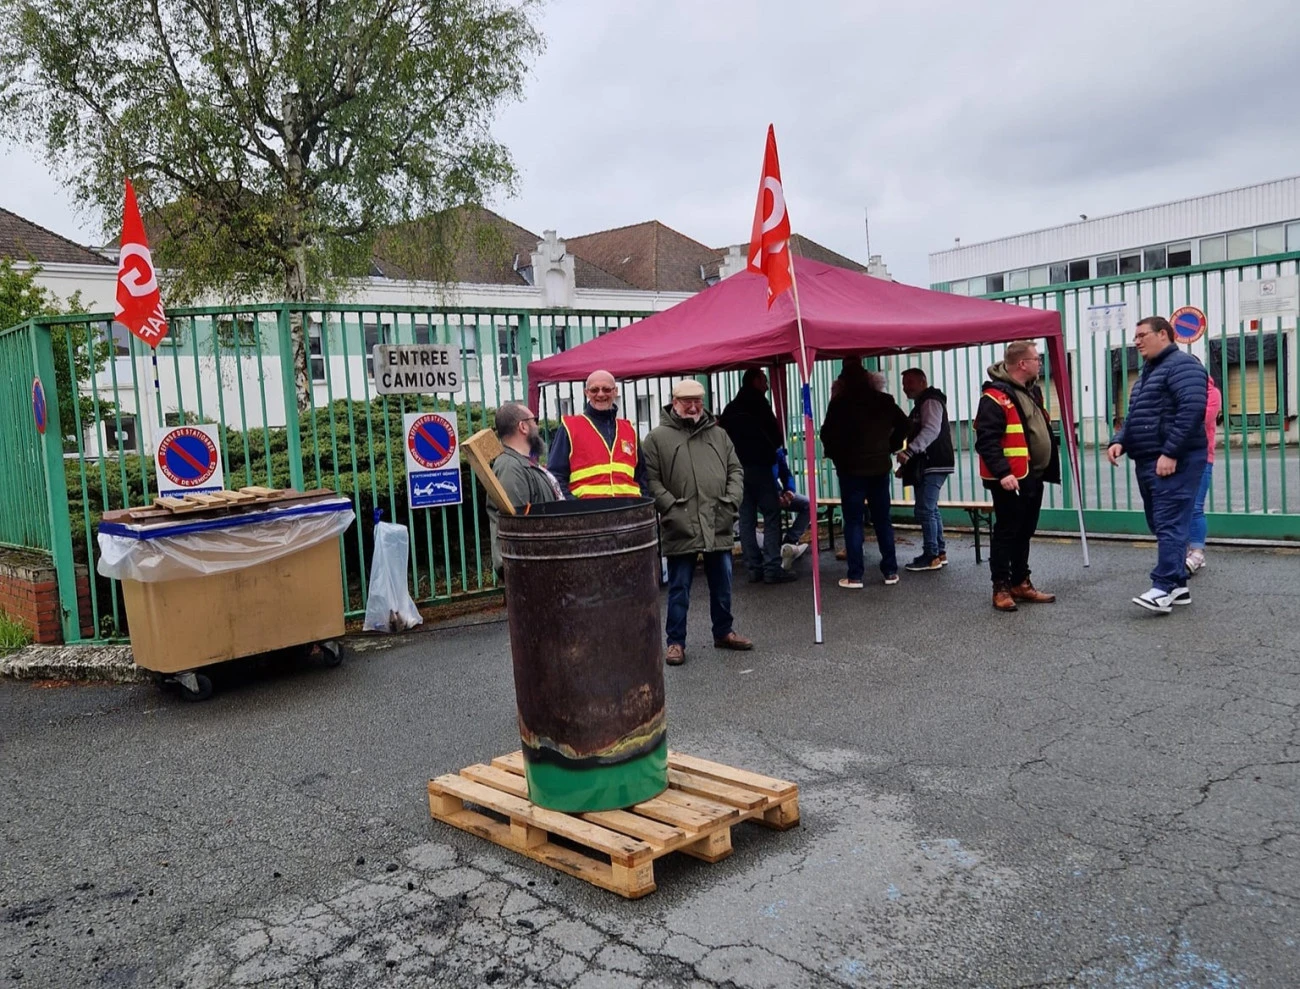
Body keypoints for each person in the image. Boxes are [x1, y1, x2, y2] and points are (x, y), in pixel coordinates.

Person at [642, 379, 751, 666]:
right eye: (686, 401)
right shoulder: (656, 439)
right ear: (674, 402)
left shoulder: (719, 435)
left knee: (724, 582)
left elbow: (736, 470)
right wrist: (670, 508)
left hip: (717, 518)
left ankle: (724, 632)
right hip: (680, 523)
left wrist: (731, 501)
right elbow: (651, 481)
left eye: (697, 401)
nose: (693, 407)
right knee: (679, 586)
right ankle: (675, 642)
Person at [1106, 317, 1209, 614]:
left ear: (1163, 334)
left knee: (1170, 523)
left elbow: (1191, 411)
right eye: (1135, 337)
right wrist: (1120, 440)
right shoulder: (1150, 372)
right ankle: (1178, 585)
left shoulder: (1183, 365)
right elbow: (1136, 414)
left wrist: (1171, 452)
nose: (1136, 342)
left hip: (1173, 460)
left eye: (1142, 335)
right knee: (1161, 523)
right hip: (1150, 459)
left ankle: (1162, 587)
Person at [974, 340, 1061, 612]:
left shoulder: (1030, 392)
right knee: (1007, 532)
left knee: (1024, 531)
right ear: (1022, 364)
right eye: (1036, 359)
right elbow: (986, 440)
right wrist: (1003, 473)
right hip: (1011, 479)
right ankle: (1000, 587)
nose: (1039, 363)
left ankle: (1020, 582)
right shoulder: (994, 397)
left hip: (1032, 475)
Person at [819, 366, 910, 588]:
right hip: (879, 467)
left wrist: (837, 456)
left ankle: (855, 576)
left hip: (850, 470)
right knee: (882, 520)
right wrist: (891, 445)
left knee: (853, 521)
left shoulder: (839, 404)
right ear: (870, 379)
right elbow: (905, 424)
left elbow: (826, 434)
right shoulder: (884, 400)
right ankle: (890, 572)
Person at [720, 369, 796, 584]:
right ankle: (772, 568)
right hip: (761, 468)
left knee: (746, 519)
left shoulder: (731, 408)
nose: (767, 385)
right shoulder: (760, 406)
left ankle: (753, 568)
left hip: (737, 469)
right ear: (754, 381)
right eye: (764, 380)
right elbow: (776, 436)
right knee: (772, 516)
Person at [486, 402, 563, 577]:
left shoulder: (522, 463)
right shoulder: (510, 467)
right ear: (523, 426)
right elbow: (518, 525)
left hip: (543, 565)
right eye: (534, 421)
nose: (537, 425)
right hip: (531, 571)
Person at [546, 369, 647, 499]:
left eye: (606, 389)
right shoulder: (570, 427)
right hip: (589, 513)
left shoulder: (629, 430)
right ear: (586, 393)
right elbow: (556, 476)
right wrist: (574, 507)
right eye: (594, 390)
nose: (600, 394)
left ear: (615, 391)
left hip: (629, 512)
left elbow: (642, 477)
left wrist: (643, 503)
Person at [898, 368, 955, 572]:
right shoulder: (924, 402)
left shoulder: (929, 401)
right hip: (933, 462)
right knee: (931, 509)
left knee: (925, 510)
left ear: (923, 382)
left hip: (933, 462)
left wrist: (909, 452)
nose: (906, 388)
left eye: (910, 383)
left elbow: (931, 430)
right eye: (904, 384)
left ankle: (931, 555)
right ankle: (939, 552)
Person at [1185, 373, 1222, 575]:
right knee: (1181, 506)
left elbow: (1203, 419)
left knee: (1196, 506)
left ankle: (1197, 552)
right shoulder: (1179, 391)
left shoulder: (1212, 393)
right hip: (1178, 457)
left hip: (1202, 457)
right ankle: (1184, 551)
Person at [774, 447, 811, 571]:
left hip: (773, 491)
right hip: (761, 493)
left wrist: (789, 491)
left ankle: (789, 542)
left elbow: (785, 473)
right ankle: (783, 546)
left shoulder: (777, 449)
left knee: (808, 504)